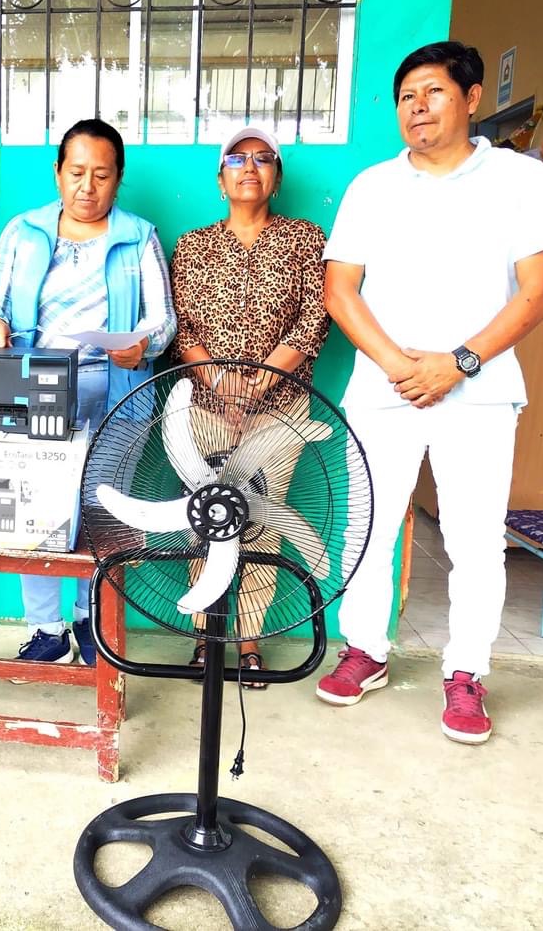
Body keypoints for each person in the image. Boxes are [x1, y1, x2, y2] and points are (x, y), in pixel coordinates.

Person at [316, 41, 543, 744]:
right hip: (384, 391)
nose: (418, 107)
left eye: (433, 92)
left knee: (475, 538)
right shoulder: (373, 186)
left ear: (471, 98)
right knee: (367, 526)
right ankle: (365, 650)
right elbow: (340, 291)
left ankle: (466, 672)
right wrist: (399, 366)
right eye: (407, 97)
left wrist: (458, 363)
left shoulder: (522, 180)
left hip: (481, 392)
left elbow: (540, 291)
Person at [0, 118, 176, 665]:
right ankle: (45, 629)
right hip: (35, 386)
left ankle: (89, 620)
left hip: (116, 388)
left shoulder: (139, 236)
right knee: (32, 506)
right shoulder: (24, 231)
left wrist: (143, 344)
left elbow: (164, 319)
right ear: (58, 172)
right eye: (77, 172)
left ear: (118, 179)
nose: (88, 186)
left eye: (102, 175)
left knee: (103, 509)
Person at [170, 126, 331, 688]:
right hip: (205, 409)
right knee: (204, 520)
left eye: (263, 159)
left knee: (263, 521)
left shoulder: (304, 239)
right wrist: (220, 382)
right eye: (237, 159)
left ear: (276, 178)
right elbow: (182, 328)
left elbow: (315, 318)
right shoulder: (192, 246)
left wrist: (258, 384)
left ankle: (250, 640)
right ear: (220, 180)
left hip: (279, 409)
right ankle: (205, 636)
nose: (249, 167)